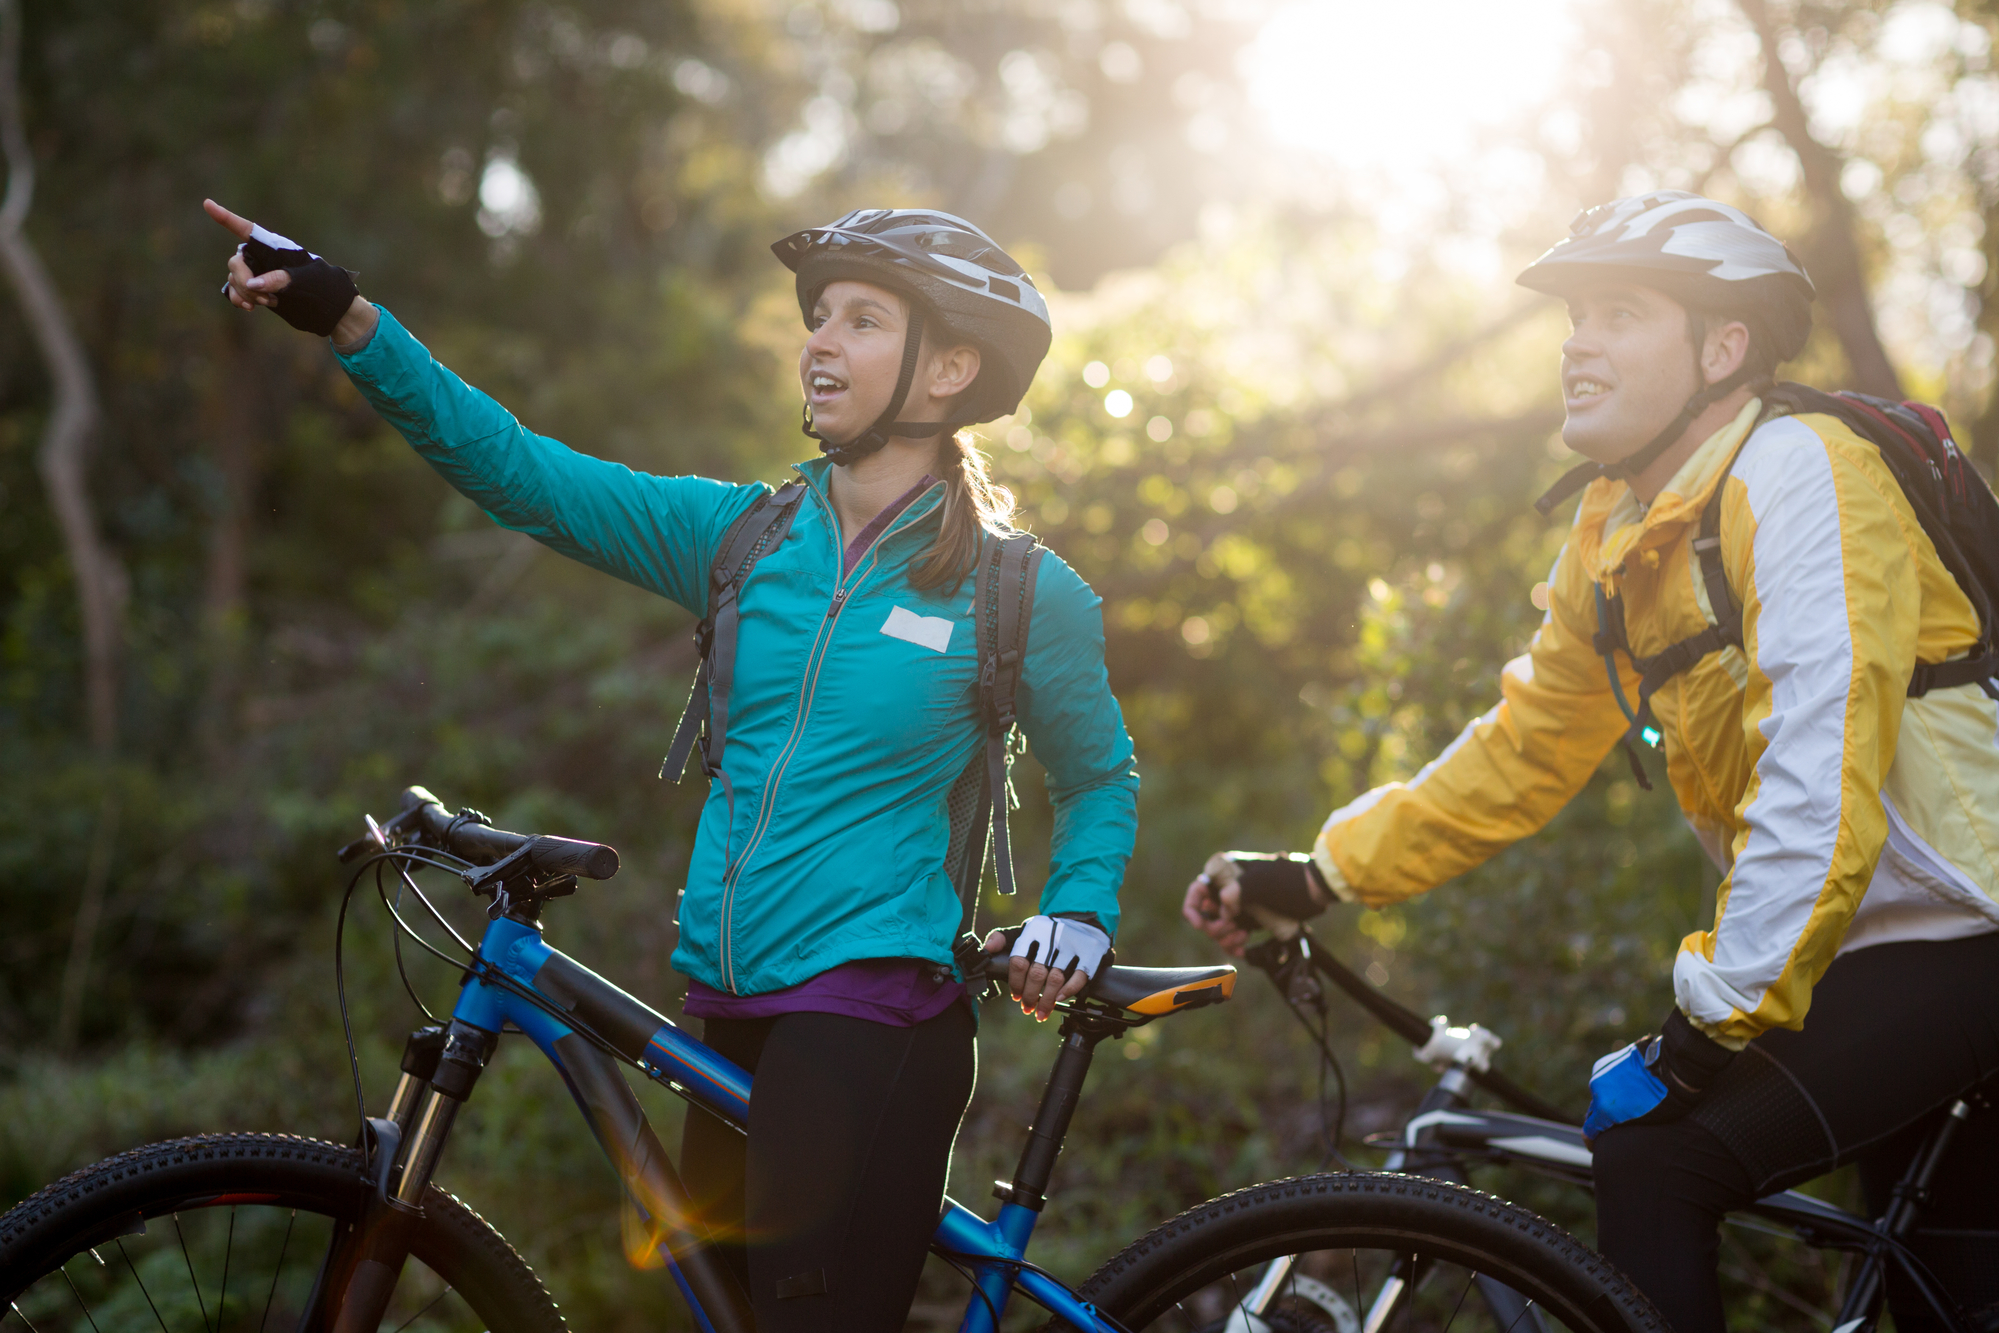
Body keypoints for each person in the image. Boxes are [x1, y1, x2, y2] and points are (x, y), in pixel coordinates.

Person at [207, 199, 1140, 1332]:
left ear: (948, 369)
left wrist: (1079, 911)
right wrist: (353, 322)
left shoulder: (1018, 593)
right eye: (819, 318)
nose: (821, 341)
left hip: (872, 1013)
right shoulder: (740, 541)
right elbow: (526, 477)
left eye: (861, 320)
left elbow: (1099, 777)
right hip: (727, 1001)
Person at [1181, 192, 1999, 1330]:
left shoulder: (1801, 468)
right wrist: (1322, 873)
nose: (1578, 342)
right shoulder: (1623, 531)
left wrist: (1715, 1014)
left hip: (1963, 928)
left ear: (1722, 349)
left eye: (1620, 313)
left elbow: (1824, 757)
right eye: (1574, 317)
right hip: (1857, 949)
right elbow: (1525, 747)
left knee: (1657, 1155)